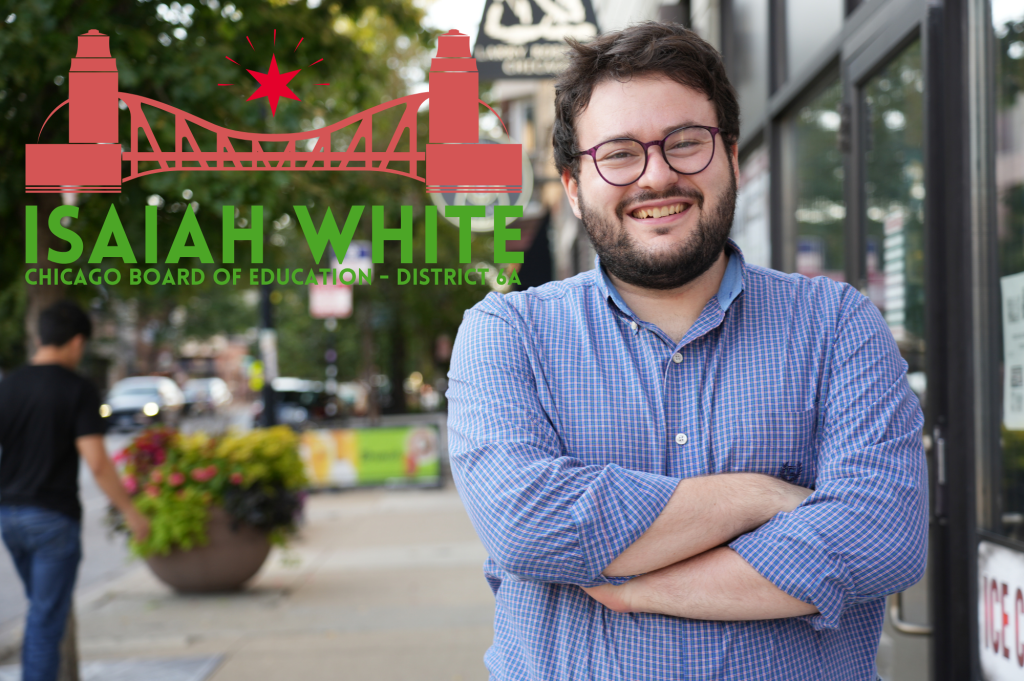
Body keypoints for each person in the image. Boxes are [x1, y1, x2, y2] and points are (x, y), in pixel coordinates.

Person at [446, 22, 928, 681]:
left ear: (731, 154)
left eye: (685, 143)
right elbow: (526, 523)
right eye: (619, 154)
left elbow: (881, 536)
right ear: (573, 183)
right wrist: (757, 495)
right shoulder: (508, 333)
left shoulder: (835, 325)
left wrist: (636, 585)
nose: (658, 175)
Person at [0, 301, 149, 681]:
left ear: (39, 338)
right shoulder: (78, 388)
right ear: (78, 342)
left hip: (10, 516)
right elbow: (97, 461)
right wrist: (131, 511)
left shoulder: (10, 385)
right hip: (52, 518)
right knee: (45, 622)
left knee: (40, 611)